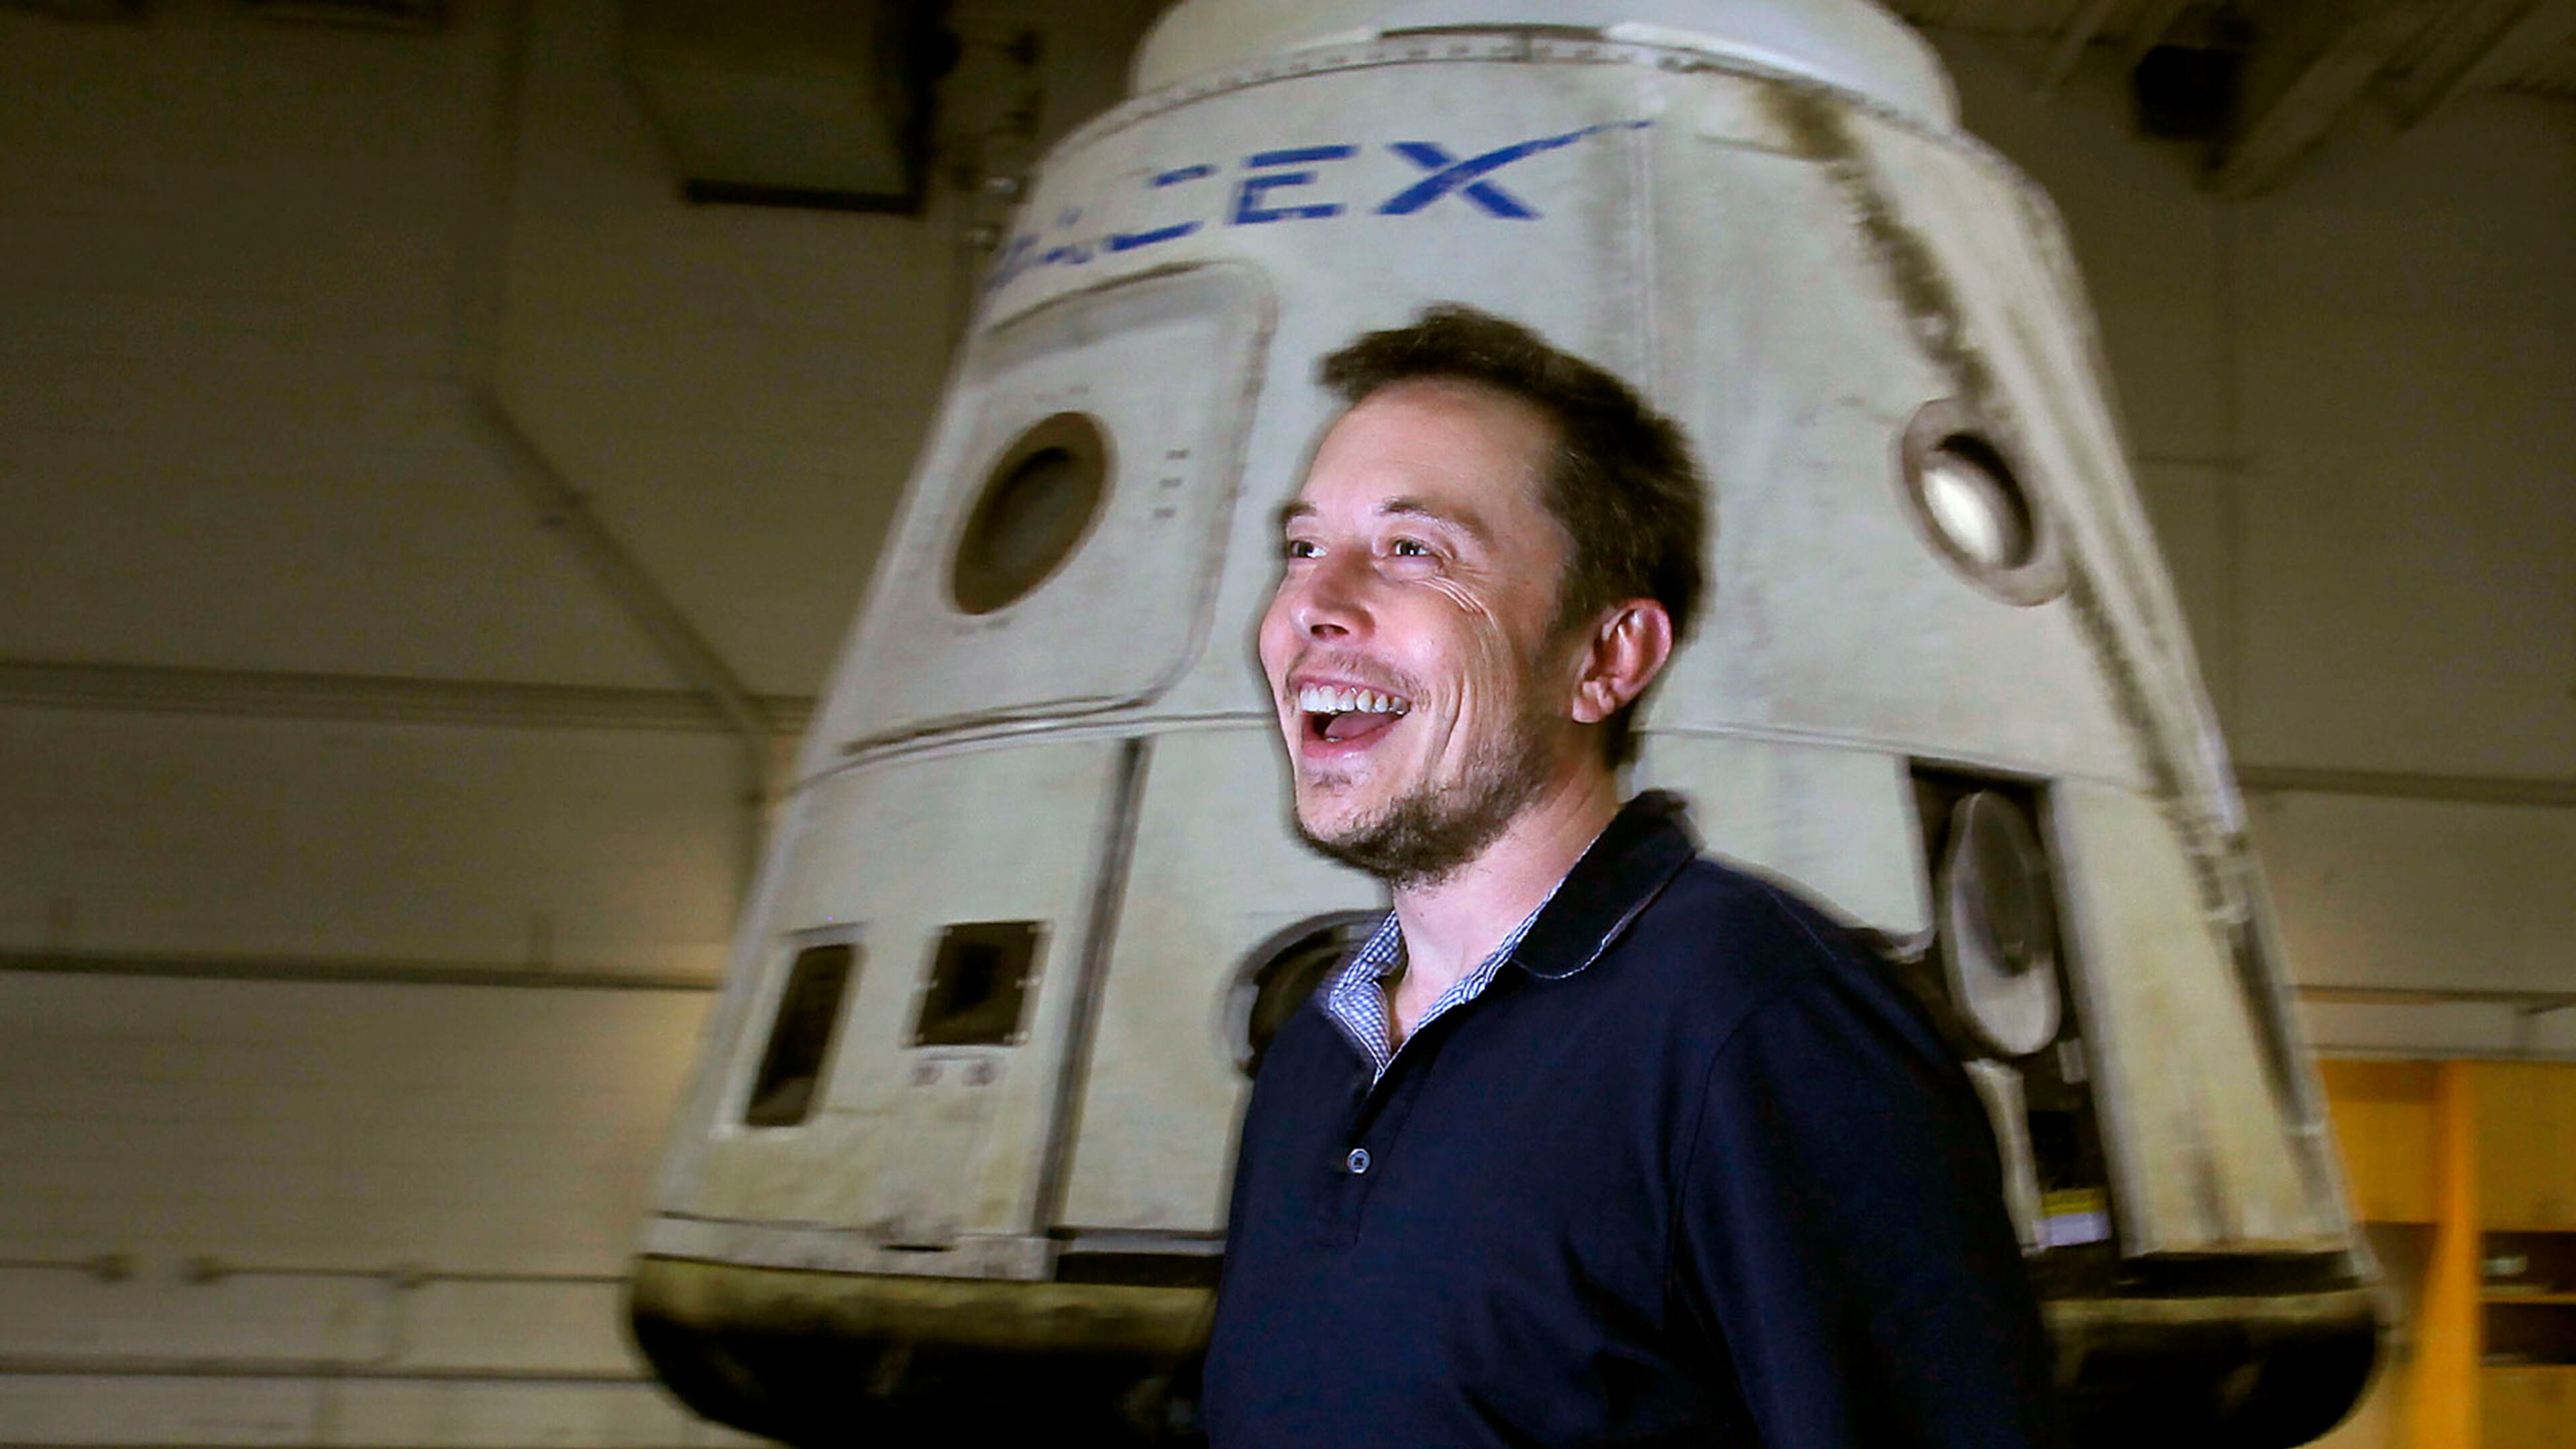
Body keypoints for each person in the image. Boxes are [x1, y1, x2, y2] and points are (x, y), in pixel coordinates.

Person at [1200, 304, 2057, 1446]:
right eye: (1304, 548)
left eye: (1412, 551)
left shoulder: (1764, 1030)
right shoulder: (1318, 1059)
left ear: (1605, 658)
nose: (1311, 606)